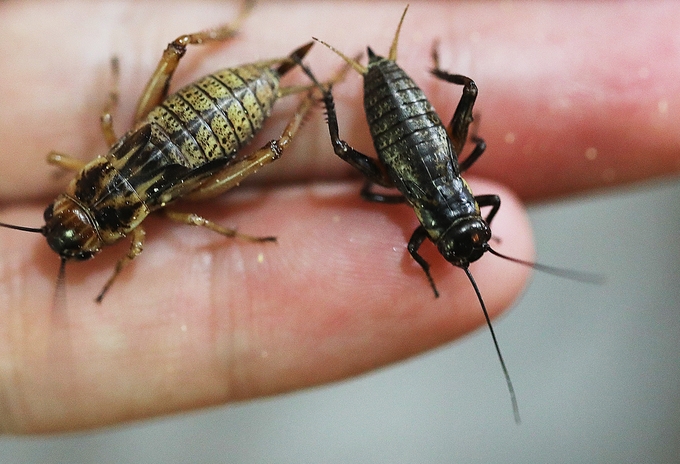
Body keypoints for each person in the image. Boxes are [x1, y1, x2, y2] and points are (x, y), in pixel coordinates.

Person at [0, 1, 676, 433]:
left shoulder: (133, 220)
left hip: (210, 122)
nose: (78, 228)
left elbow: (164, 227)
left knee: (249, 151)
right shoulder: (111, 190)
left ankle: (280, 76)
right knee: (243, 145)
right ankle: (286, 86)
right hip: (201, 122)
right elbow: (194, 218)